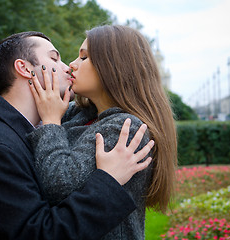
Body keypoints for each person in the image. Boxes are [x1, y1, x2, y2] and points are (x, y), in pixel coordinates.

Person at [0, 31, 154, 240]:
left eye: (83, 57)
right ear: (24, 68)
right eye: (55, 58)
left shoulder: (116, 125)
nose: (69, 66)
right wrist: (108, 180)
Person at [27, 25, 178, 239]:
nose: (72, 65)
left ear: (114, 66)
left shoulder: (126, 129)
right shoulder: (84, 114)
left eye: (84, 57)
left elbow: (58, 185)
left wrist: (51, 121)